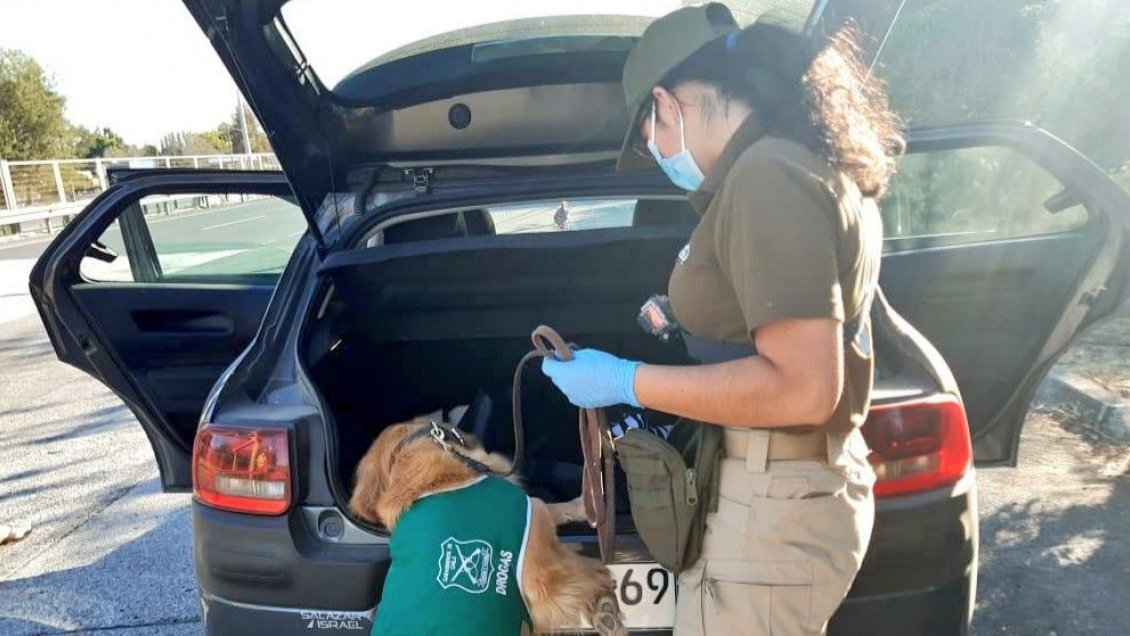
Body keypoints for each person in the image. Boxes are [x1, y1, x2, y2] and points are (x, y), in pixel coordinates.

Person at [541, 4, 903, 635]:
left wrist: (625, 380)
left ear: (666, 103)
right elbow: (788, 316)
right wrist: (689, 316)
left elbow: (805, 387)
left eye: (649, 132)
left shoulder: (767, 176)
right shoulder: (791, 162)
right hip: (779, 492)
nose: (656, 151)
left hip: (777, 499)